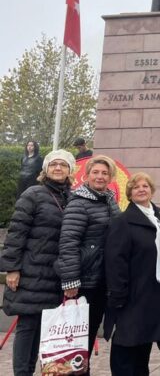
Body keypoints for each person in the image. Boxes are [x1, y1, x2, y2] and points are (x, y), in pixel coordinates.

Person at [0, 149, 75, 376]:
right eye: (53, 165)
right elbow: (16, 233)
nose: (58, 168)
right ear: (45, 169)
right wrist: (12, 268)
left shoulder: (73, 197)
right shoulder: (33, 194)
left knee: (44, 330)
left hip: (55, 275)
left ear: (70, 170)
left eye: (63, 165)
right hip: (32, 271)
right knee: (28, 326)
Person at [104, 172, 160, 375]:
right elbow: (115, 261)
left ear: (151, 190)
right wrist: (118, 294)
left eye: (145, 186)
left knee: (143, 350)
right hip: (130, 296)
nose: (142, 189)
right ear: (130, 194)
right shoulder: (123, 221)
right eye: (136, 187)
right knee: (125, 349)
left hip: (153, 294)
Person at [57, 155, 120, 371]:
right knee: (75, 342)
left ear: (110, 177)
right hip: (84, 281)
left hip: (102, 280)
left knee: (88, 335)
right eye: (96, 172)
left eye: (104, 173)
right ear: (87, 175)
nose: (100, 176)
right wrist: (71, 280)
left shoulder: (109, 200)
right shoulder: (80, 202)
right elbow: (68, 242)